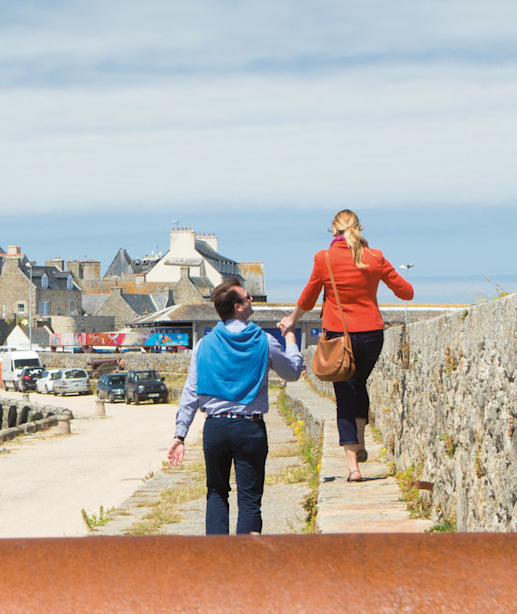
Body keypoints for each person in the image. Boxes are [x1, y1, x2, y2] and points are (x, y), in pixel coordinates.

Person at [279, 210, 413, 482]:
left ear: (333, 231)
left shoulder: (324, 258)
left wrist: (291, 320)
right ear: (358, 228)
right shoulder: (375, 256)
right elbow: (406, 292)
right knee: (359, 383)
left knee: (344, 394)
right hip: (372, 335)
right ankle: (361, 441)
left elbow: (308, 297)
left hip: (340, 336)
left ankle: (353, 467)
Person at [167, 276, 305, 534]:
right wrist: (291, 339)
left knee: (216, 492)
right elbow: (293, 372)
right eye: (247, 297)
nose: (251, 299)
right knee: (250, 498)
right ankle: (246, 563)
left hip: (215, 429)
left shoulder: (203, 345)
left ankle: (218, 561)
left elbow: (191, 391)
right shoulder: (264, 340)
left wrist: (180, 434)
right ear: (238, 307)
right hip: (249, 428)